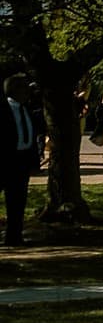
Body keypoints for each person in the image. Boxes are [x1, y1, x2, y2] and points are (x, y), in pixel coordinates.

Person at [4, 75, 37, 247]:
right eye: (24, 88)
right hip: (5, 161)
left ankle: (14, 237)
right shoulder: (4, 109)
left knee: (18, 201)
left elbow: (31, 136)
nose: (27, 92)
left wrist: (33, 162)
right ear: (15, 89)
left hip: (21, 161)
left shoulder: (26, 109)